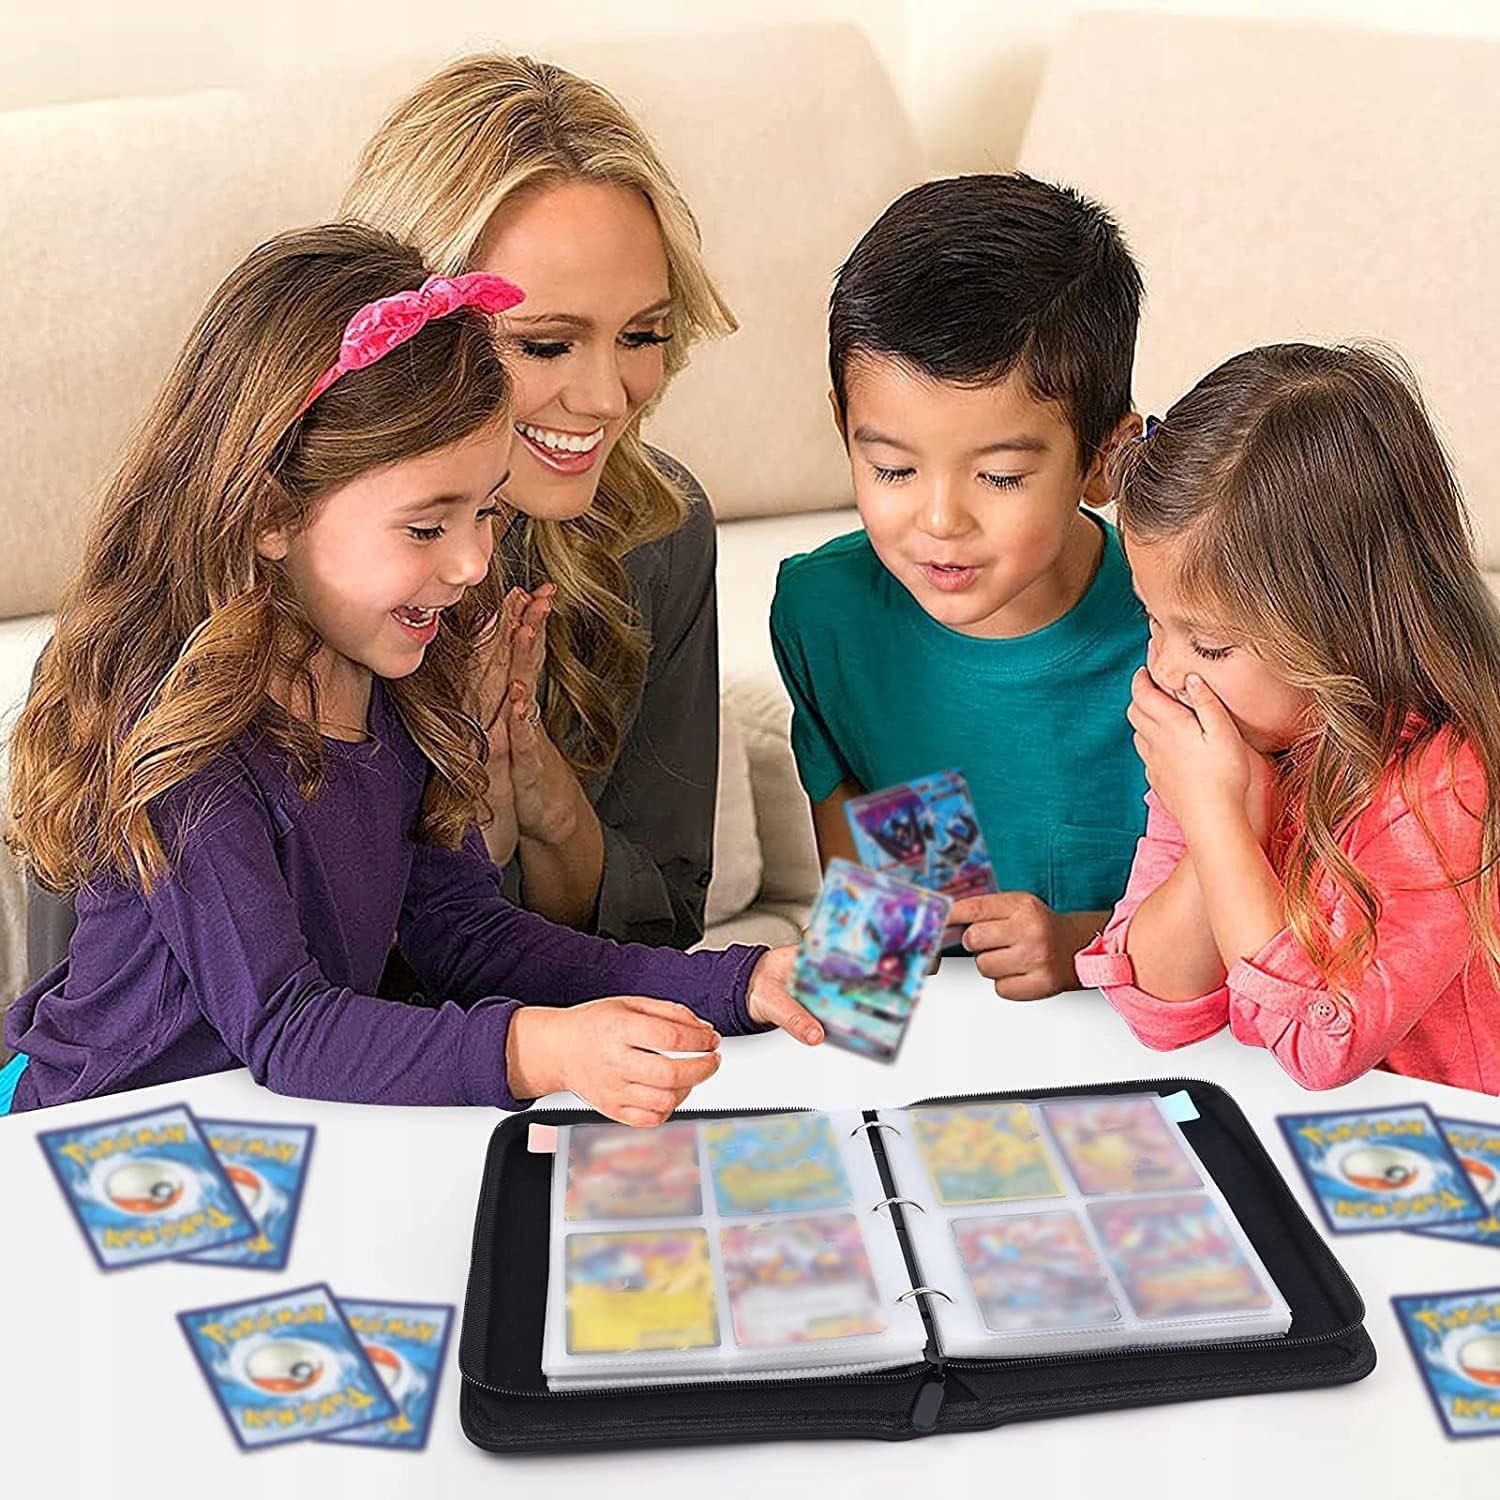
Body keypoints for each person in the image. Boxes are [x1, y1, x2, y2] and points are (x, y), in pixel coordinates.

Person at [0, 225, 819, 1119]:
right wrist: (538, 1049)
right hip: (99, 1134)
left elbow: (465, 935)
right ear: (270, 516)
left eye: (488, 512)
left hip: (275, 1127)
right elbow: (286, 1026)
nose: (472, 563)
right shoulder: (183, 734)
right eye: (428, 527)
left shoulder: (397, 683)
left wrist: (736, 985)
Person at [341, 52, 737, 951]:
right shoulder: (849, 630)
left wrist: (556, 815)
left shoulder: (679, 541)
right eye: (546, 344)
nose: (605, 399)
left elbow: (670, 925)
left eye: (643, 334)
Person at [1075, 343, 1500, 1092]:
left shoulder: (1448, 784)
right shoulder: (1228, 737)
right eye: (1153, 621)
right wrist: (1226, 814)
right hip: (1308, 1125)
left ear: (1344, 628)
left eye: (1210, 644)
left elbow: (1321, 1044)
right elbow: (1157, 1009)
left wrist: (1217, 821)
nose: (1166, 669)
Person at [771, 174, 1149, 1000]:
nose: (941, 521)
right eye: (892, 468)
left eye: (1001, 477)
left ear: (1104, 460)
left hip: (1153, 1028)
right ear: (843, 427)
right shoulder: (828, 614)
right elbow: (874, 953)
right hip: (958, 1037)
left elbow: (1262, 924)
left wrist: (1080, 947)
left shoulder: (1188, 638)